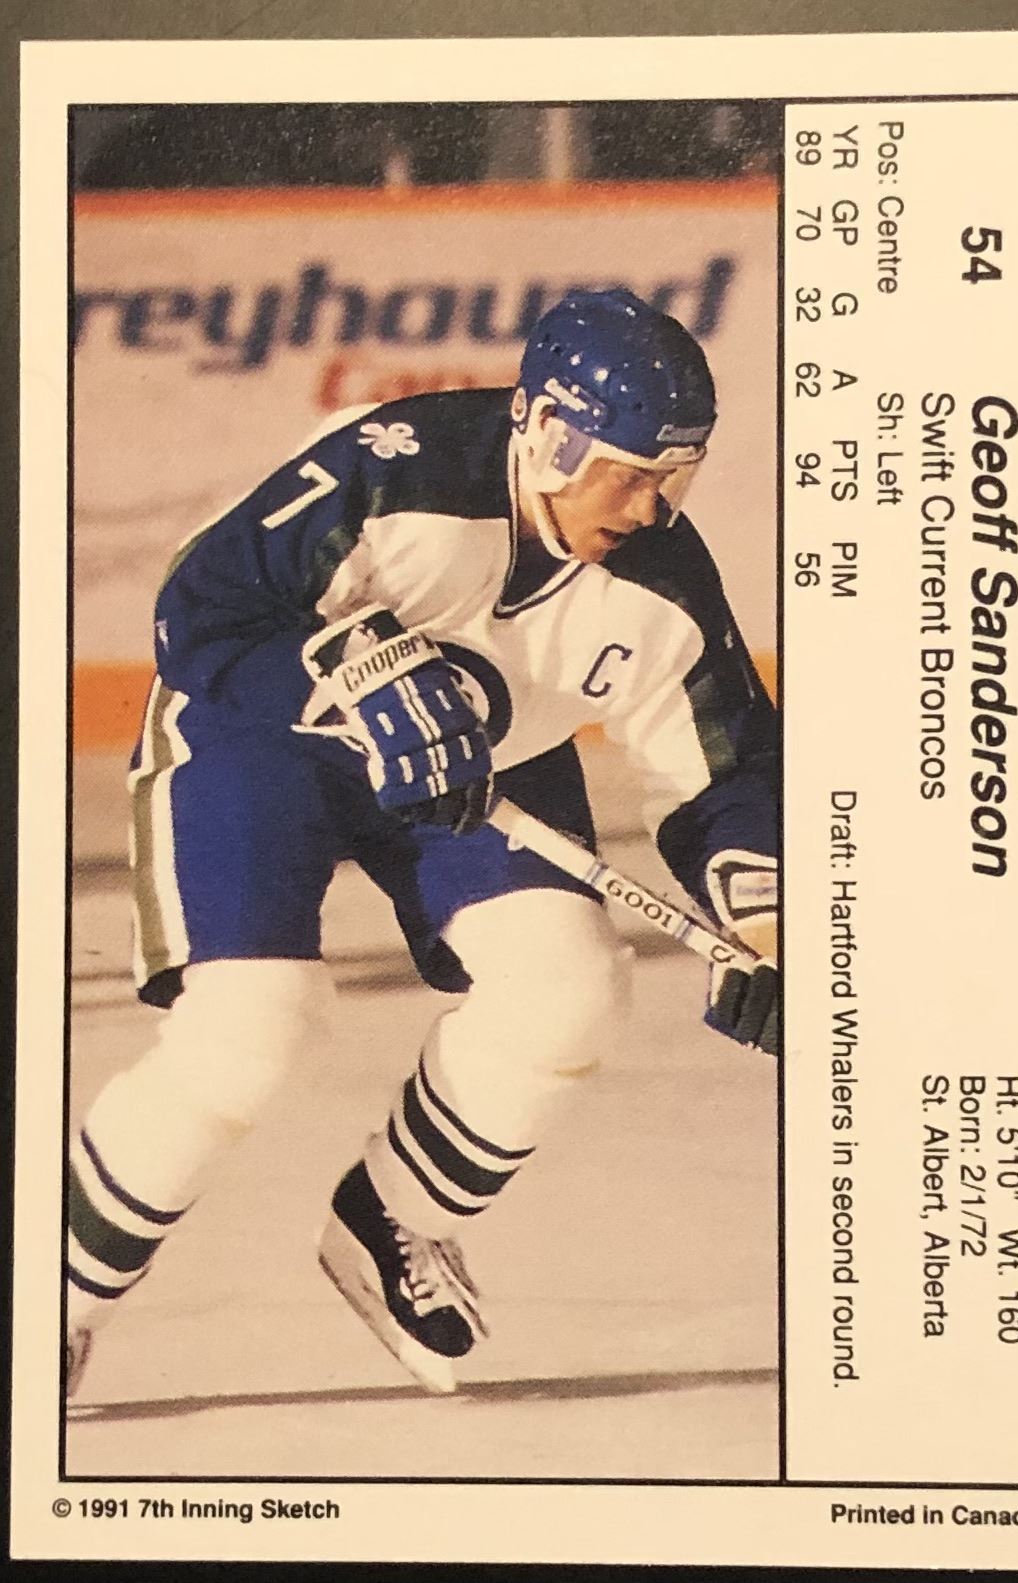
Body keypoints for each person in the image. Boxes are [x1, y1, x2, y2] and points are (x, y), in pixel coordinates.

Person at [66, 289, 780, 1400]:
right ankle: (54, 1296)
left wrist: (765, 916)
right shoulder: (397, 467)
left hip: (479, 763)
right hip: (265, 737)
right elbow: (202, 608)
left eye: (675, 477)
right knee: (249, 1029)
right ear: (553, 435)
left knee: (569, 989)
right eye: (632, 474)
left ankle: (393, 1215)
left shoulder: (664, 581)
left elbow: (725, 770)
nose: (652, 508)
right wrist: (343, 668)